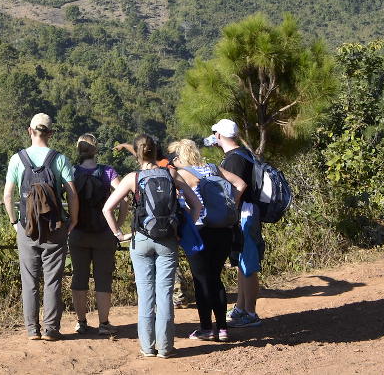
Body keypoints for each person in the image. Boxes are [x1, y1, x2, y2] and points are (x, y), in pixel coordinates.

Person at [102, 135, 202, 358]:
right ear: (156, 151)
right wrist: (184, 231)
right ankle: (165, 348)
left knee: (146, 295)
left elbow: (107, 209)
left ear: (137, 154)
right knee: (165, 294)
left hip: (141, 239)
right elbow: (196, 204)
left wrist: (119, 234)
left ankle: (148, 347)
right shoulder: (170, 173)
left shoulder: (132, 178)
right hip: (168, 240)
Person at [3, 113, 78, 341]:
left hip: (27, 228)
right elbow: (72, 195)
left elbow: (8, 195)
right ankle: (51, 330)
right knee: (52, 280)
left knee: (29, 281)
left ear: (30, 131)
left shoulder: (18, 159)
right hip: (55, 227)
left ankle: (32, 330)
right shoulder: (60, 159)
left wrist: (15, 221)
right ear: (51, 134)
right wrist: (72, 220)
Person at [171, 139, 247, 341]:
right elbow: (240, 183)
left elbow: (182, 204)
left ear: (180, 157)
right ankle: (222, 329)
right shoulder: (213, 168)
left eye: (175, 157)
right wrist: (230, 206)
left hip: (200, 231)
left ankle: (206, 328)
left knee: (201, 280)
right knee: (215, 278)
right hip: (223, 229)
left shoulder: (183, 174)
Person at [68, 134, 125, 336]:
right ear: (96, 149)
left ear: (78, 150)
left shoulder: (72, 171)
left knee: (79, 277)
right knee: (103, 278)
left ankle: (81, 322)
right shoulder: (107, 171)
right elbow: (123, 197)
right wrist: (117, 224)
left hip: (78, 232)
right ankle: (103, 323)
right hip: (103, 233)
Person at [210, 118, 264, 328]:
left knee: (248, 265)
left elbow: (235, 190)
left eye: (215, 134)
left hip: (244, 216)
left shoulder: (233, 160)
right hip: (247, 214)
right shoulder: (244, 155)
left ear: (219, 136)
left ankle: (250, 313)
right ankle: (241, 308)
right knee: (243, 263)